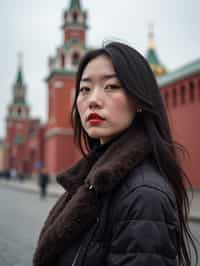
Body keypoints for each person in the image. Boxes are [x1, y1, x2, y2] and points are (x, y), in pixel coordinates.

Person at [33, 42, 198, 266]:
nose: (93, 100)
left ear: (139, 99)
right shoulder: (91, 181)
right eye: (84, 89)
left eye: (111, 86)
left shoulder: (144, 195)